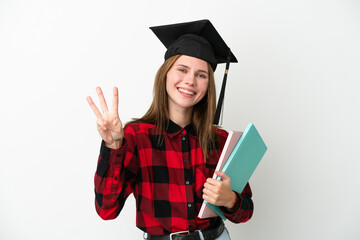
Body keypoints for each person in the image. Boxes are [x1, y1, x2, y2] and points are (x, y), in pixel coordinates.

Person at [87, 20, 253, 240]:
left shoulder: (222, 141)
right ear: (165, 74)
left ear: (208, 85)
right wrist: (113, 146)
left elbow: (246, 211)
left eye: (201, 75)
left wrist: (230, 199)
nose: (190, 81)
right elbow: (106, 210)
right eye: (182, 70)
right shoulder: (136, 136)